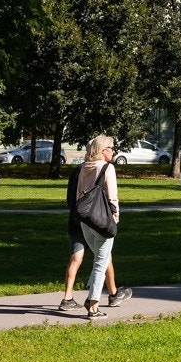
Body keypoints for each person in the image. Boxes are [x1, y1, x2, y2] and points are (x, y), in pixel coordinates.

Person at [67, 135, 129, 318]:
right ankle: (92, 303)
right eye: (111, 147)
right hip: (103, 220)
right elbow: (112, 196)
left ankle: (92, 289)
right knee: (101, 262)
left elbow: (79, 195)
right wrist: (115, 219)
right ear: (103, 150)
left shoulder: (83, 167)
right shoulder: (108, 168)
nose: (113, 150)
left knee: (100, 258)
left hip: (85, 220)